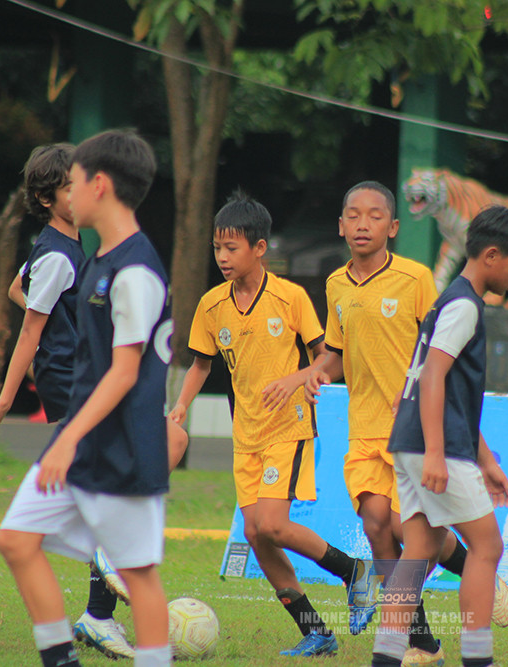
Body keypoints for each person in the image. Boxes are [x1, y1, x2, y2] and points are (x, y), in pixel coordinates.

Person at [0, 142, 175, 660]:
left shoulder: (135, 270)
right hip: (81, 438)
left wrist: (69, 437)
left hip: (120, 445)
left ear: (99, 186)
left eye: (76, 180)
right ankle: (61, 656)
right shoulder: (97, 260)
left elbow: (126, 373)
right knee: (17, 539)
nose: (70, 192)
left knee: (138, 576)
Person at [305, 182, 508, 664]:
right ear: (340, 225)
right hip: (366, 429)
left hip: (413, 430)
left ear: (393, 227)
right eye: (353, 215)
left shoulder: (418, 279)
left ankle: (477, 573)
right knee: (378, 523)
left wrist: (459, 444)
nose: (362, 224)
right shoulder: (336, 285)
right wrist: (312, 372)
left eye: (374, 216)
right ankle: (422, 642)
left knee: (414, 534)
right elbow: (334, 355)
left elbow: (434, 358)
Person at [168, 192, 361, 658]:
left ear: (259, 249)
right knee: (255, 535)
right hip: (246, 436)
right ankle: (316, 630)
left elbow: (327, 360)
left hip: (288, 430)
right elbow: (200, 364)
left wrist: (298, 379)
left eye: (231, 248)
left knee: (271, 525)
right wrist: (179, 408)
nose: (222, 257)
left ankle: (353, 570)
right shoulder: (212, 306)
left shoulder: (290, 297)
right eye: (217, 248)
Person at [371, 205, 508, 667]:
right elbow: (433, 379)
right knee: (488, 546)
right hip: (429, 447)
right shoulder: (465, 305)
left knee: (421, 548)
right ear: (491, 256)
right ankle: (478, 660)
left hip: (410, 441)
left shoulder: (452, 299)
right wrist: (437, 456)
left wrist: (484, 459)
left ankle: (384, 659)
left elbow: (453, 397)